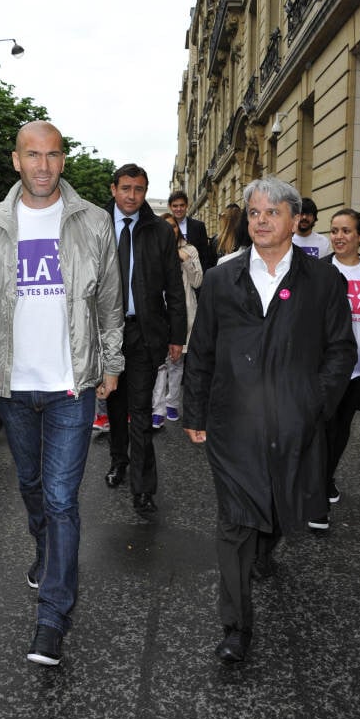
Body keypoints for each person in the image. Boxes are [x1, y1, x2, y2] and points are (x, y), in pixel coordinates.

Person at [0, 120, 125, 667]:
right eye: (33, 155)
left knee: (60, 499)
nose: (43, 165)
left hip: (71, 385)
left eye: (52, 155)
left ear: (63, 161)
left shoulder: (94, 223)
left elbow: (110, 305)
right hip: (11, 382)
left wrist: (111, 364)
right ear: (16, 161)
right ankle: (46, 552)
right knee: (31, 487)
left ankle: (52, 618)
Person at [182, 175, 357, 664]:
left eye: (271, 212)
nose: (260, 221)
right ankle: (235, 626)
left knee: (280, 503)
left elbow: (340, 350)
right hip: (233, 424)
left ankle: (266, 546)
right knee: (235, 520)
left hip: (293, 421)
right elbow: (202, 352)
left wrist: (314, 402)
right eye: (254, 213)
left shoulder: (322, 280)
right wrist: (194, 411)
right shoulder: (221, 278)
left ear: (295, 219)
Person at [104, 164, 187, 517]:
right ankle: (118, 460)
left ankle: (143, 487)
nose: (132, 196)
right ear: (113, 189)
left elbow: (174, 287)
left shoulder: (159, 232)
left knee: (139, 409)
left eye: (138, 189)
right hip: (105, 333)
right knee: (115, 404)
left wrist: (177, 335)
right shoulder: (97, 227)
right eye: (125, 188)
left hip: (144, 333)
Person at [307, 207, 360, 530]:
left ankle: (326, 477)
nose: (339, 237)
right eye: (334, 231)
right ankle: (317, 500)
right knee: (321, 430)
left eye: (346, 231)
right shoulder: (317, 271)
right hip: (327, 369)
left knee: (341, 430)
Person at [152, 213, 202, 428]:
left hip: (184, 313)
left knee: (177, 360)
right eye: (165, 226)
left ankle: (173, 402)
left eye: (173, 226)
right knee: (159, 363)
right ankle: (158, 408)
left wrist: (186, 260)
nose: (169, 230)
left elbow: (198, 282)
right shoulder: (153, 248)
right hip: (158, 313)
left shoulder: (190, 250)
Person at [168, 190, 212, 275]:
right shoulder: (164, 226)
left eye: (182, 205)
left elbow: (205, 256)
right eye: (175, 206)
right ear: (170, 207)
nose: (179, 209)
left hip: (193, 278)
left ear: (187, 205)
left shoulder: (199, 226)